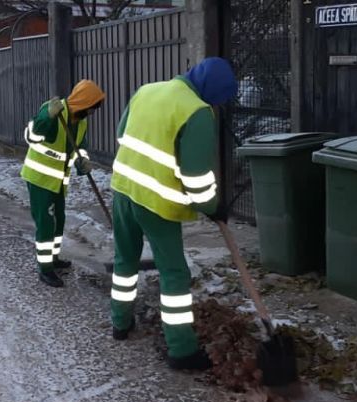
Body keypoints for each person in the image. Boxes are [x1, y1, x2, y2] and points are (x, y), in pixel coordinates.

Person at [109, 58, 238, 370]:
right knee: (174, 274)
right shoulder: (197, 111)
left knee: (125, 259)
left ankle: (120, 323)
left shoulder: (147, 90)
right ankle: (181, 350)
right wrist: (213, 206)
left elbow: (122, 135)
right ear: (214, 94)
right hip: (155, 203)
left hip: (123, 189)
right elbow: (196, 177)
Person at [20, 80, 105, 288]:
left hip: (58, 181)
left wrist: (83, 161)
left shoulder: (81, 122)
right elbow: (32, 136)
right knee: (46, 223)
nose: (92, 113)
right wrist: (47, 117)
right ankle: (45, 268)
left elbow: (79, 147)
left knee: (59, 220)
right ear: (83, 103)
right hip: (40, 179)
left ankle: (54, 257)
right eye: (91, 108)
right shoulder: (53, 111)